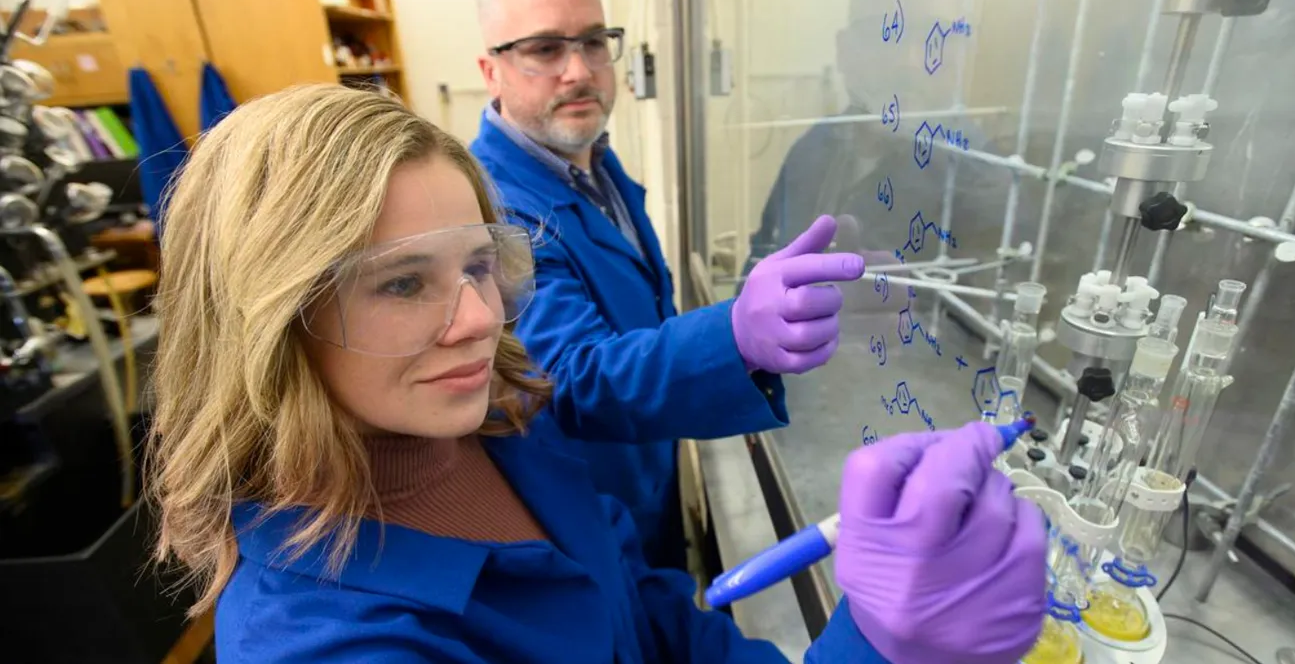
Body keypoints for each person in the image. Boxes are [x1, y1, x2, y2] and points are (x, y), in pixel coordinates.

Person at [149, 84, 1047, 663]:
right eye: (400, 282)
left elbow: (650, 617)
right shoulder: (329, 645)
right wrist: (880, 648)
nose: (480, 318)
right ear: (268, 322)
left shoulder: (496, 427)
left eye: (476, 266)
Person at [469, 0, 864, 571]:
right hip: (589, 513)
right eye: (545, 49)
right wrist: (733, 337)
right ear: (491, 70)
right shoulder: (493, 208)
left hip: (642, 473)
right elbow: (569, 376)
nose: (578, 70)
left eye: (595, 41)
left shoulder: (591, 159)